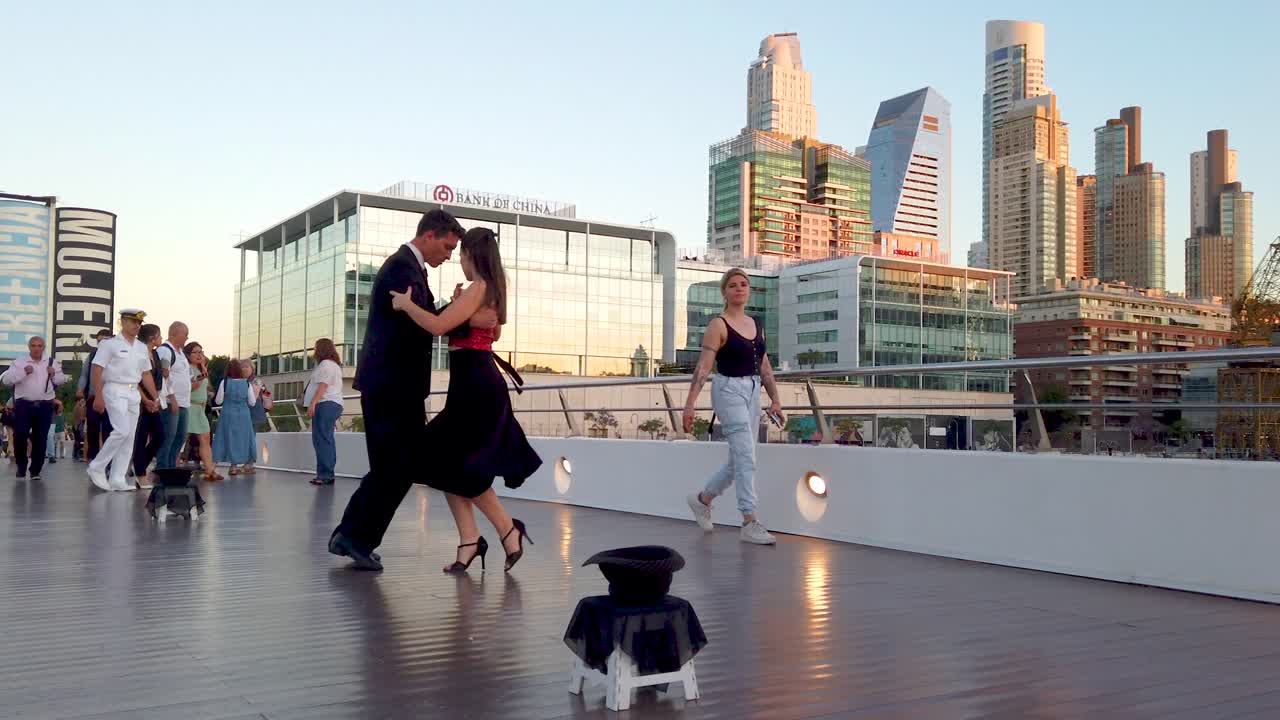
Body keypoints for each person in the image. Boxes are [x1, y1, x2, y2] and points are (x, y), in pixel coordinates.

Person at [328, 209, 496, 572]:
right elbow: (422, 324)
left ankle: (353, 536)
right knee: (398, 466)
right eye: (448, 247)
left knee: (395, 467)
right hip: (392, 386)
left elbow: (420, 317)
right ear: (431, 235)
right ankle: (353, 537)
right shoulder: (402, 268)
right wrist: (466, 315)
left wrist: (454, 308)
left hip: (394, 386)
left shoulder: (409, 267)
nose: (450, 255)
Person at [389, 227, 541, 573]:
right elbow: (493, 331)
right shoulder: (493, 289)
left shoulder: (479, 287)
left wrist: (406, 304)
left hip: (475, 385)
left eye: (461, 255)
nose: (459, 260)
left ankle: (505, 530)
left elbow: (438, 326)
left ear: (473, 254)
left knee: (448, 461)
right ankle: (473, 539)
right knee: (445, 462)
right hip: (476, 383)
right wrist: (465, 310)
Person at [681, 268, 784, 545]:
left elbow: (764, 365)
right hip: (728, 390)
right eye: (733, 285)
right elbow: (704, 367)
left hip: (752, 391)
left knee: (739, 458)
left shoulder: (756, 324)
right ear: (724, 292)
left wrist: (775, 399)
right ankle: (749, 521)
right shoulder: (719, 324)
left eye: (744, 284)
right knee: (747, 456)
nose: (740, 288)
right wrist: (690, 405)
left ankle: (703, 500)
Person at [87, 310, 160, 492]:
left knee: (129, 437)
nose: (137, 326)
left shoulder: (141, 347)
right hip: (114, 389)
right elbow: (97, 369)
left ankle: (117, 478)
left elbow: (145, 374)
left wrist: (155, 397)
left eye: (139, 323)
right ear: (122, 322)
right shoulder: (109, 344)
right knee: (121, 430)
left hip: (133, 392)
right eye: (132, 322)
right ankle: (97, 467)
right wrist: (98, 395)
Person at [1, 336, 68, 481]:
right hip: (24, 405)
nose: (36, 348)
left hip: (44, 405)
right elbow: (6, 380)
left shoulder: (51, 362)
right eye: (33, 345)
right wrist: (23, 372)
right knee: (20, 435)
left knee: (40, 438)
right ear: (29, 347)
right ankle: (21, 466)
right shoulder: (19, 362)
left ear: (43, 347)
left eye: (39, 346)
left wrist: (53, 374)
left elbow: (62, 379)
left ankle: (35, 470)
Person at [131, 323, 167, 486]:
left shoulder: (156, 355)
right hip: (139, 401)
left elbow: (157, 380)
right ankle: (141, 474)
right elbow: (136, 379)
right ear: (153, 338)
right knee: (140, 437)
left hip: (153, 400)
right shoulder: (138, 353)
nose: (161, 339)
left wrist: (156, 400)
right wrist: (146, 400)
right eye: (159, 336)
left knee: (160, 435)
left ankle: (139, 466)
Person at [306, 339, 345, 487]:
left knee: (322, 439)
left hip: (325, 404)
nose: (314, 351)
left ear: (320, 349)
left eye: (316, 348)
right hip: (331, 404)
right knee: (325, 439)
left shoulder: (326, 365)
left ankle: (325, 475)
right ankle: (326, 474)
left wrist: (313, 403)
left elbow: (323, 386)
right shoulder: (333, 365)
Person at [155, 322, 192, 469]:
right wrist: (172, 397)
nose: (187, 337)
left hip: (184, 403)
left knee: (180, 437)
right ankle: (162, 468)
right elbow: (164, 376)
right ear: (173, 334)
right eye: (185, 333)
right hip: (171, 402)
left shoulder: (181, 353)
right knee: (168, 436)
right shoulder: (165, 351)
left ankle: (170, 467)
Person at [183, 343, 222, 481]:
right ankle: (172, 467)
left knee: (205, 439)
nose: (199, 355)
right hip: (189, 407)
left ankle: (209, 470)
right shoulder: (186, 368)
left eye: (201, 351)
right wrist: (202, 377)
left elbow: (205, 387)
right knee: (182, 440)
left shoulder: (201, 370)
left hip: (200, 409)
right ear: (188, 355)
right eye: (195, 352)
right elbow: (189, 388)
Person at [212, 359, 257, 474]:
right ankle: (234, 466)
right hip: (243, 415)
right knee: (242, 439)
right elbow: (252, 402)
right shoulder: (247, 383)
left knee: (224, 438)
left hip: (228, 413)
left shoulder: (224, 382)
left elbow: (218, 401)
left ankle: (214, 465)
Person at [77, 328, 114, 461]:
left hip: (111, 398)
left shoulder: (116, 356)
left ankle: (107, 459)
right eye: (99, 341)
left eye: (104, 341)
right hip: (93, 398)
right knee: (92, 429)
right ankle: (93, 457)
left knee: (108, 430)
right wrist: (80, 389)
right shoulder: (92, 355)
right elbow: (84, 375)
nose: (101, 344)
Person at [246, 363, 273, 434]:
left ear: (251, 369)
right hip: (256, 412)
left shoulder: (252, 380)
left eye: (246, 367)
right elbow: (266, 392)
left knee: (250, 435)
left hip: (253, 412)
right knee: (251, 435)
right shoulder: (257, 380)